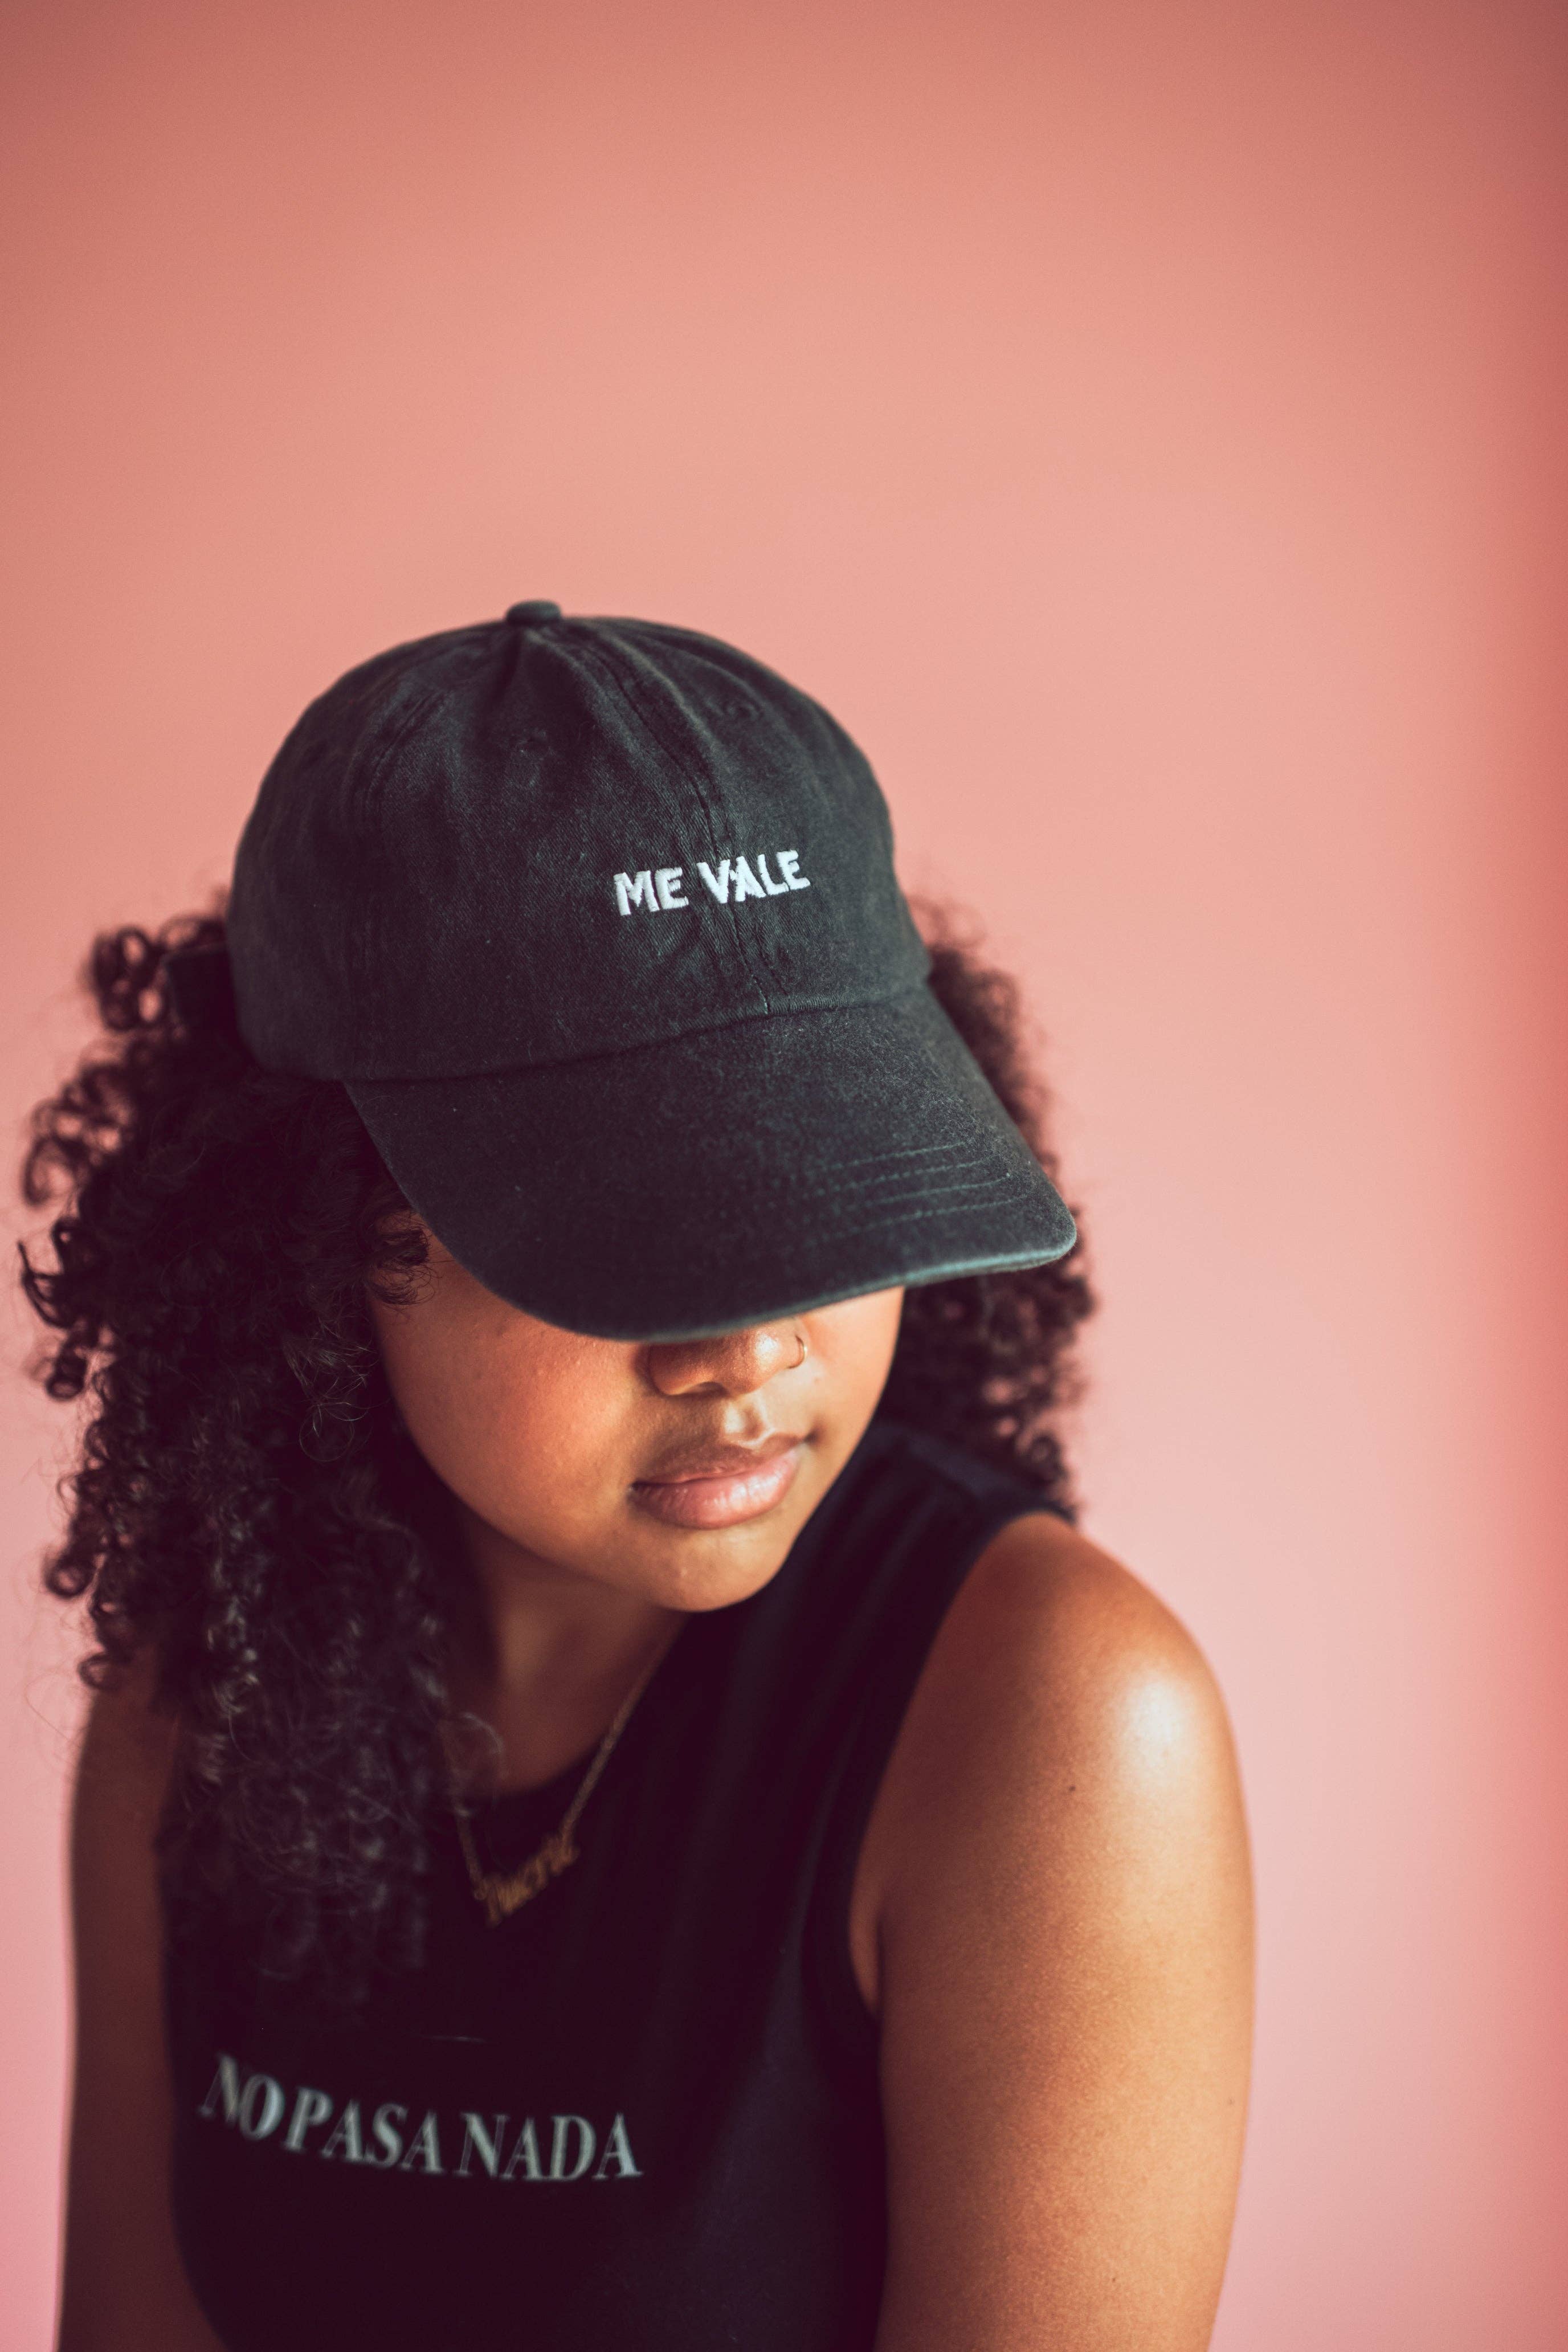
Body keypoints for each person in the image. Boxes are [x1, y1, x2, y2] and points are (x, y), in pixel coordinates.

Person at [25, 603, 1252, 2352]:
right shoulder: (202, 1697)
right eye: (623, 1229)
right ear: (313, 1233)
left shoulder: (1049, 1727)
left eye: (821, 1189)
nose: (746, 1350)